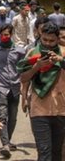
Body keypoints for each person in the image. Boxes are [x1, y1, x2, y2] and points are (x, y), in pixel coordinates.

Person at [18, 22, 65, 161]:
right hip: (39, 110)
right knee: (44, 152)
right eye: (45, 40)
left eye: (52, 41)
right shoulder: (33, 53)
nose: (48, 44)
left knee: (57, 152)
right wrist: (36, 66)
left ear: (58, 39)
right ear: (40, 36)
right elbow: (23, 77)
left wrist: (60, 61)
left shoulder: (63, 53)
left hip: (61, 109)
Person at [0, 23, 25, 158]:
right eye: (4, 34)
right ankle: (5, 144)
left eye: (8, 34)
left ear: (11, 35)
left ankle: (7, 141)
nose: (6, 37)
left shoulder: (19, 51)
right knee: (2, 116)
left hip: (15, 87)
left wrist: (23, 85)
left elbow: (23, 68)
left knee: (13, 118)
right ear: (0, 35)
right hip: (0, 86)